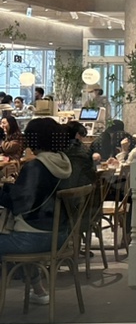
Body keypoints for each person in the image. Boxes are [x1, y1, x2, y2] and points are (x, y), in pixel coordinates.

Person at [0, 117, 73, 305]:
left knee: (11, 234)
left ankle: (37, 291)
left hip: (32, 238)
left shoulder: (36, 166)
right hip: (62, 236)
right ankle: (39, 291)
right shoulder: (64, 164)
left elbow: (19, 204)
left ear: (34, 139)